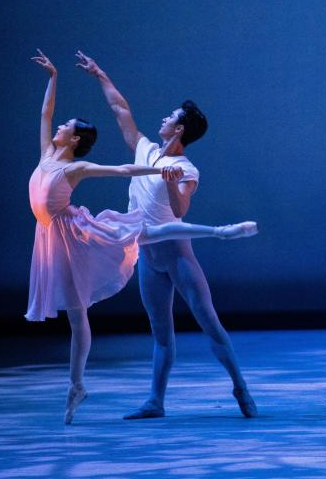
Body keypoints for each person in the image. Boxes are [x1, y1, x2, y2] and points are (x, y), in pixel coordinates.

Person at [27, 50, 256, 424]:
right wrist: (100, 74)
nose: (164, 118)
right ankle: (155, 401)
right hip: (146, 253)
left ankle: (239, 386)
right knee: (161, 334)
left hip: (177, 254)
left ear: (179, 130)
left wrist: (171, 185)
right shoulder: (146, 148)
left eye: (171, 117)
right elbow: (121, 110)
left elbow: (180, 209)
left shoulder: (185, 167)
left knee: (209, 322)